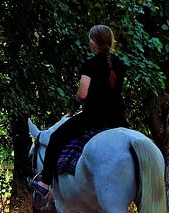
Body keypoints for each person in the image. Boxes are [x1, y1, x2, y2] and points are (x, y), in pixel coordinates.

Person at [31, 24, 128, 197]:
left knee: (56, 138)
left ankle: (45, 183)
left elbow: (83, 94)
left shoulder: (90, 64)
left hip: (94, 117)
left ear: (93, 42)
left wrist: (77, 97)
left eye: (90, 39)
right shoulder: (120, 65)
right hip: (118, 119)